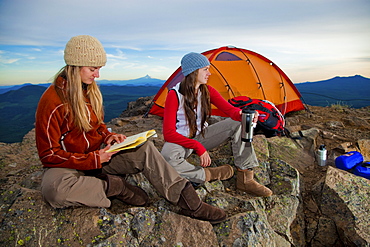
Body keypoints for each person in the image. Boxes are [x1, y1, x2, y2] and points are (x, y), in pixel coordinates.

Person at [35, 35, 226, 224]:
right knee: (54, 190)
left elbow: (97, 125)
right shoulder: (52, 102)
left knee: (145, 148)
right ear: (75, 66)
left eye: (99, 69)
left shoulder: (88, 90)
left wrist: (108, 135)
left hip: (99, 156)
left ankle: (190, 203)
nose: (97, 75)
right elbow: (48, 154)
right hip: (69, 165)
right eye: (93, 69)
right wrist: (91, 159)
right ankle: (117, 187)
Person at [161, 52, 272, 197]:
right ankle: (207, 174)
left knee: (240, 123)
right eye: (205, 69)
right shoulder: (174, 95)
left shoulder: (207, 91)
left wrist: (245, 115)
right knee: (165, 158)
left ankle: (245, 178)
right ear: (193, 71)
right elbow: (168, 133)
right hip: (182, 141)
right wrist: (197, 147)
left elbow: (230, 111)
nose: (209, 73)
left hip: (202, 135)